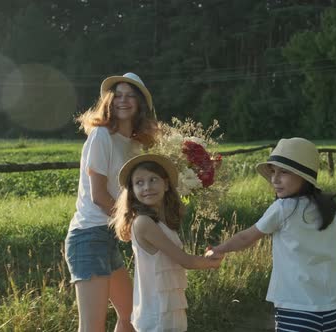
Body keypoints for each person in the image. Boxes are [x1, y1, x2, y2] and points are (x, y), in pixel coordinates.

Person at [206, 137, 336, 332]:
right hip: (333, 311)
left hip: (296, 310)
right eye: (273, 171)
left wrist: (219, 249)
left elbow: (246, 237)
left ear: (304, 177)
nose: (275, 179)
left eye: (284, 172)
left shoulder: (283, 208)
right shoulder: (331, 210)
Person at [65, 72, 158, 332]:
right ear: (108, 100)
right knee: (93, 327)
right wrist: (131, 223)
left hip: (109, 235)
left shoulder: (135, 145)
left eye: (130, 96)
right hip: (88, 235)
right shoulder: (101, 135)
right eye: (117, 95)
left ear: (139, 103)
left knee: (130, 317)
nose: (123, 101)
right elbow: (99, 196)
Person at [110, 153, 222, 332]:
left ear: (166, 184)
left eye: (153, 179)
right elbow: (185, 261)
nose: (147, 187)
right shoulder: (143, 223)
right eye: (139, 182)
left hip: (168, 306)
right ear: (132, 190)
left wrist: (206, 258)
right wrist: (211, 262)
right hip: (157, 311)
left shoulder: (163, 223)